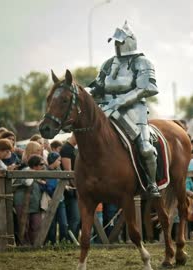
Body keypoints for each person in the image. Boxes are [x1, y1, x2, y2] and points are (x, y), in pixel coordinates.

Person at [89, 21, 160, 198]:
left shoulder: (142, 62)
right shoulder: (107, 64)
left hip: (134, 110)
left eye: (119, 42)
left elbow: (147, 88)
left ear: (129, 42)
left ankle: (152, 184)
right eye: (115, 42)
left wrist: (122, 101)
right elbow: (98, 86)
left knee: (145, 148)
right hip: (106, 109)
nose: (117, 45)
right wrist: (85, 95)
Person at [13, 154, 46, 245]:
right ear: (35, 165)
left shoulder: (38, 173)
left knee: (36, 225)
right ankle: (24, 245)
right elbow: (27, 182)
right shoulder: (25, 171)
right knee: (24, 226)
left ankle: (35, 245)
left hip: (35, 203)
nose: (43, 166)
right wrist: (34, 176)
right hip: (22, 202)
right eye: (41, 164)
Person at [59, 134, 80, 239]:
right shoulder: (66, 149)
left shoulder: (72, 148)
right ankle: (70, 241)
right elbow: (68, 172)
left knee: (76, 218)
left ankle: (73, 240)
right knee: (74, 218)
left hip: (74, 188)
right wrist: (77, 187)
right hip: (70, 189)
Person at [45, 152, 69, 244]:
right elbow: (48, 186)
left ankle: (64, 242)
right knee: (52, 223)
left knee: (63, 223)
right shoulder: (46, 171)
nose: (60, 162)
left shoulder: (59, 170)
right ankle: (52, 242)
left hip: (60, 199)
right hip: (50, 200)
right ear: (53, 161)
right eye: (58, 160)